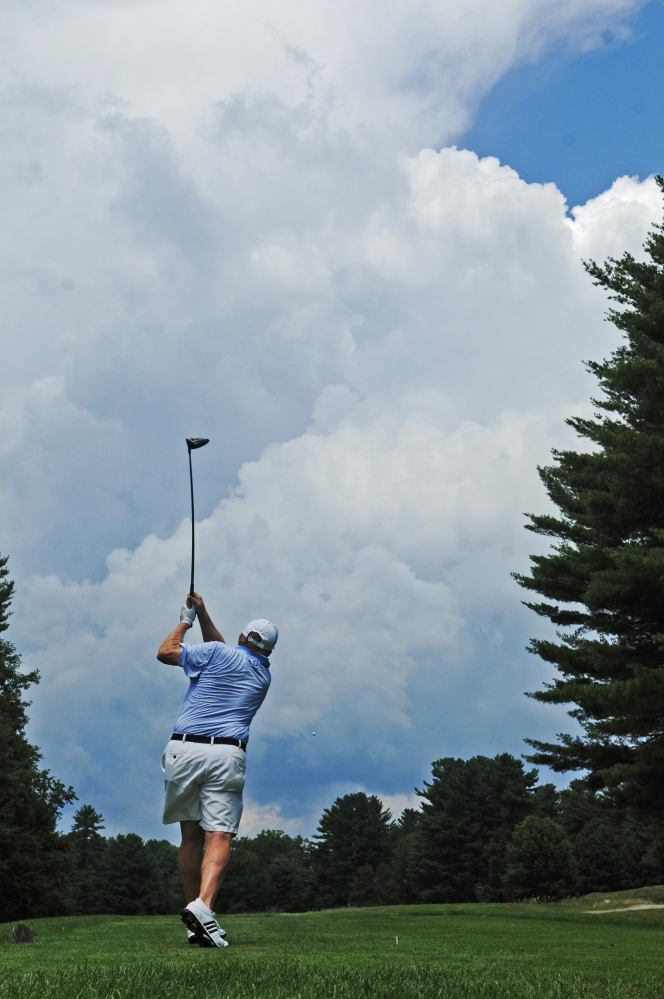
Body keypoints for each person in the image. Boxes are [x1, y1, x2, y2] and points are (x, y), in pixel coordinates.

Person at [156, 592, 278, 948]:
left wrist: (187, 619)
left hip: (184, 750)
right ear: (268, 651)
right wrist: (205, 614)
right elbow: (224, 648)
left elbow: (166, 651)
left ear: (242, 637)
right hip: (226, 756)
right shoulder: (261, 674)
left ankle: (198, 917)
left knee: (191, 837)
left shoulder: (216, 654)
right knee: (220, 836)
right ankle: (203, 909)